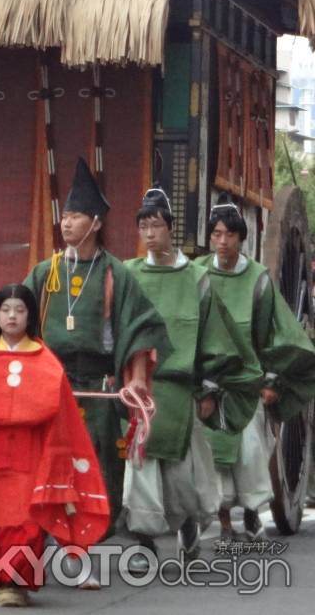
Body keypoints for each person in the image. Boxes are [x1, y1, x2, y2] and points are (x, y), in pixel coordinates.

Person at [0, 285, 109, 608]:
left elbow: (63, 417)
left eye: (20, 310)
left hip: (33, 449)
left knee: (26, 520)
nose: (12, 316)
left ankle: (16, 583)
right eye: (6, 309)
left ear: (30, 316)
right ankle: (6, 580)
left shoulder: (47, 362)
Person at [23, 158, 170, 532]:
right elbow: (16, 316)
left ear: (97, 223)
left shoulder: (115, 273)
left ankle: (93, 533)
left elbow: (141, 328)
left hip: (100, 386)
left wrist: (136, 379)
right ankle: (53, 528)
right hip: (53, 385)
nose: (66, 222)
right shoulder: (45, 271)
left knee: (100, 463)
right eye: (65, 216)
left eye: (75, 216)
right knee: (49, 459)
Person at [122, 187, 262, 569]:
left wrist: (210, 389)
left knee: (183, 476)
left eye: (156, 225)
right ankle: (144, 537)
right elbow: (116, 330)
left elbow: (215, 337)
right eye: (143, 226)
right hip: (139, 388)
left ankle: (187, 523)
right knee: (141, 470)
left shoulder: (198, 279)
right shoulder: (128, 275)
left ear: (171, 229)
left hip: (182, 390)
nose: (150, 233)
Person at [198, 194, 315, 540]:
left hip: (248, 381)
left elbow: (276, 333)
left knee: (250, 452)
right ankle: (222, 522)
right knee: (214, 453)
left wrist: (272, 380)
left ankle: (250, 512)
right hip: (210, 381)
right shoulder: (197, 275)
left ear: (241, 237)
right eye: (216, 235)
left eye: (229, 235)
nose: (222, 242)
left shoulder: (258, 279)